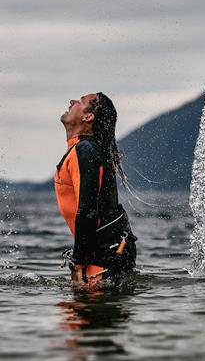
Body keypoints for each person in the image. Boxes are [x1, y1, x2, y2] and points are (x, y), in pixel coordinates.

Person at [55, 92, 137, 287]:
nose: (72, 101)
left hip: (104, 257)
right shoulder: (82, 149)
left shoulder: (85, 150)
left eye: (80, 101)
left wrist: (78, 264)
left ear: (88, 116)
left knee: (85, 315)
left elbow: (88, 211)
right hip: (107, 252)